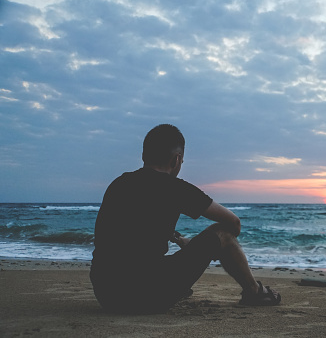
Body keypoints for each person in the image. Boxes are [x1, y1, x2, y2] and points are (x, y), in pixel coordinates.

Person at [90, 124, 281, 314]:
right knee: (223, 234)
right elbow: (233, 223)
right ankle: (254, 291)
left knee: (146, 264)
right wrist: (215, 246)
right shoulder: (176, 188)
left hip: (106, 295)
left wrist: (183, 241)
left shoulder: (118, 184)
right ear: (176, 159)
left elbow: (133, 230)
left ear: (143, 156)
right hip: (145, 297)